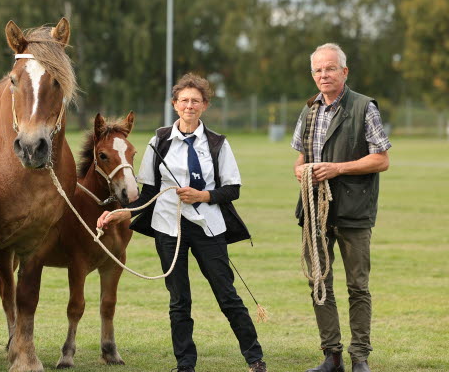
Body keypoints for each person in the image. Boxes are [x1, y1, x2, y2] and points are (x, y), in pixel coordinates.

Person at [97, 73, 266, 372]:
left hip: (208, 228)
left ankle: (255, 359)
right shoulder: (159, 141)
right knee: (179, 301)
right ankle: (185, 364)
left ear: (204, 106)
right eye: (184, 100)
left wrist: (202, 195)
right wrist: (120, 212)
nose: (190, 105)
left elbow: (232, 189)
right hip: (168, 230)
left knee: (227, 296)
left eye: (196, 101)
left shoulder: (217, 143)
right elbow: (148, 192)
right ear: (175, 104)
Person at [291, 43, 391, 372]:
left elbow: (381, 159)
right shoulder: (308, 111)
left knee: (357, 286)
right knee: (319, 282)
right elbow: (300, 159)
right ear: (312, 75)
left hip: (354, 211)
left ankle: (359, 357)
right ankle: (331, 356)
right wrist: (302, 170)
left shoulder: (364, 107)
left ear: (344, 72)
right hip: (314, 211)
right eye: (318, 70)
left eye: (330, 68)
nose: (324, 74)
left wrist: (337, 168)